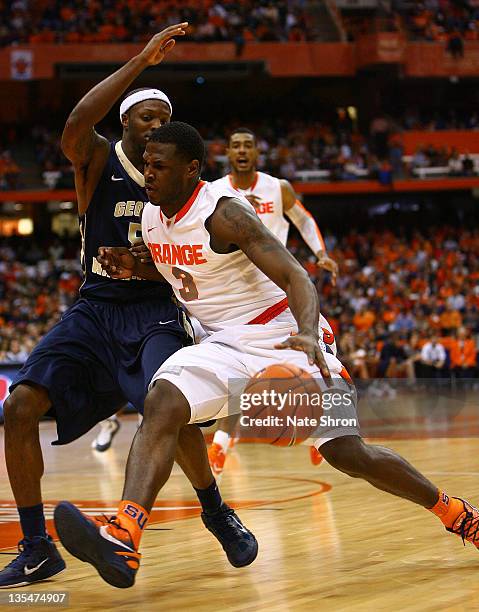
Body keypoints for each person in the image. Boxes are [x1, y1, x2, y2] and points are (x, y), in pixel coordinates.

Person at [55, 122, 479, 589]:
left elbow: (299, 278)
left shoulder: (225, 214)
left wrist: (308, 335)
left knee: (348, 453)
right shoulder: (154, 216)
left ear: (191, 170)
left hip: (284, 335)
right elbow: (186, 271)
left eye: (159, 166)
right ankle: (124, 535)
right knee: (163, 399)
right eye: (146, 165)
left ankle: (454, 512)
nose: (148, 174)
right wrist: (138, 266)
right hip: (222, 345)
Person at [1, 27, 254, 588]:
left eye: (165, 118)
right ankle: (37, 546)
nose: (157, 125)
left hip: (156, 311)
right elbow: (72, 126)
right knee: (19, 408)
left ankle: (215, 510)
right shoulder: (95, 158)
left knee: (173, 406)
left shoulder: (183, 180)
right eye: (147, 116)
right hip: (94, 309)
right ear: (124, 123)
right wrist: (141, 62)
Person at [209, 126, 339, 474]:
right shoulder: (215, 193)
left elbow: (303, 219)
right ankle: (221, 443)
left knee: (315, 354)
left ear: (256, 152)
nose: (241, 150)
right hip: (238, 293)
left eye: (247, 145)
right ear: (227, 153)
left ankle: (322, 434)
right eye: (234, 145)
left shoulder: (277, 187)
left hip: (281, 285)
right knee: (239, 369)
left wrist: (321, 253)